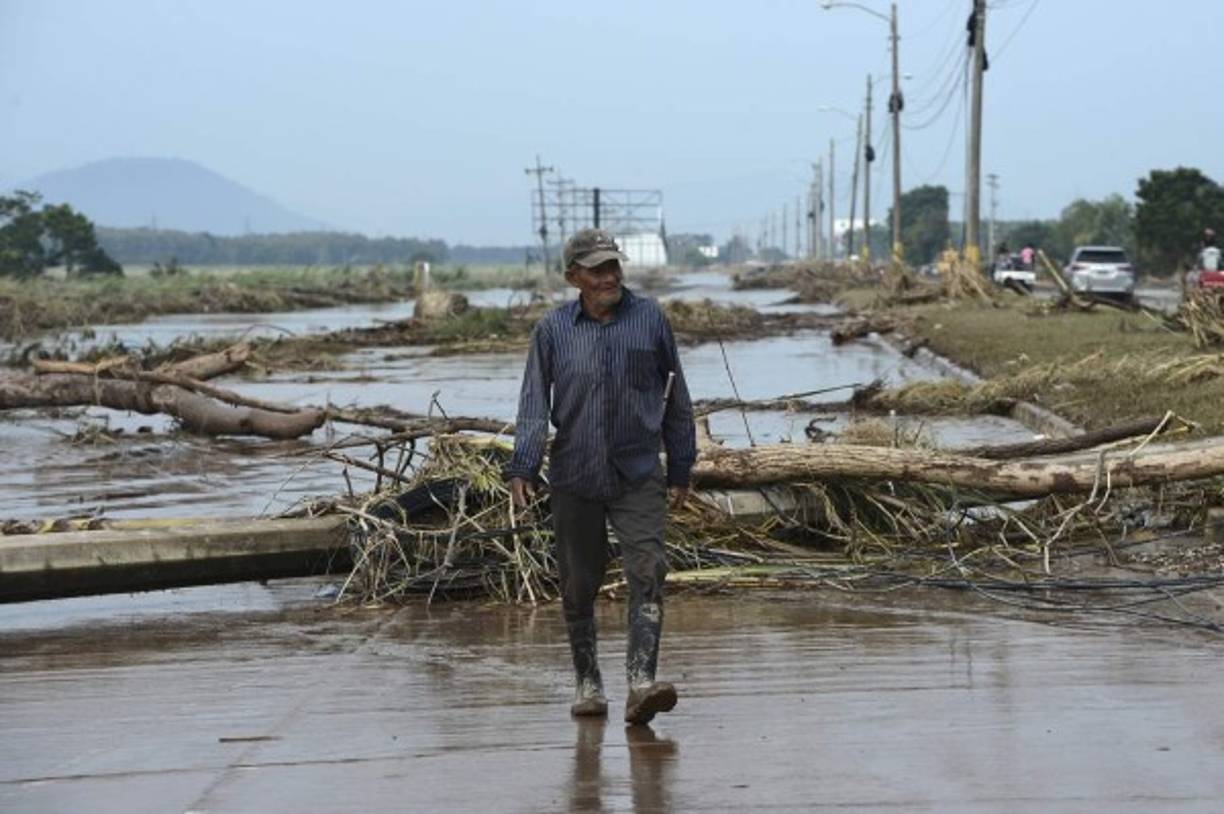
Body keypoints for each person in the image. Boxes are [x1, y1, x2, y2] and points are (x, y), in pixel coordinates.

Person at [505, 228, 697, 725]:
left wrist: (681, 466)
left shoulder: (650, 319)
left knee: (649, 568)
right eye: (597, 269)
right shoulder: (552, 331)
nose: (610, 275)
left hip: (638, 471)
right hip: (575, 473)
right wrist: (523, 465)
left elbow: (676, 397)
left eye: (614, 265)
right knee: (578, 583)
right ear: (574, 277)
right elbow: (533, 406)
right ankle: (588, 684)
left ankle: (641, 684)